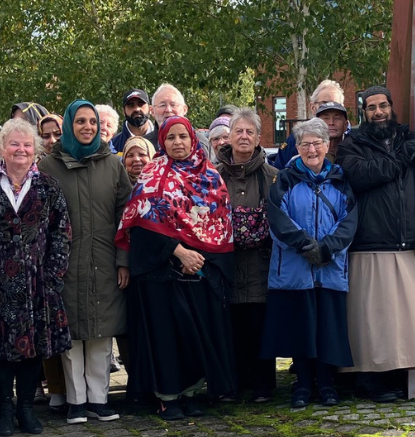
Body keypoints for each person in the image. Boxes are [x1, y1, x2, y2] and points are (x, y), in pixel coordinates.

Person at [0, 118, 73, 436]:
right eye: (14, 144)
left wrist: (53, 275)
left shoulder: (48, 186)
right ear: (1, 149)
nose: (21, 150)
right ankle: (5, 409)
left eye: (27, 144)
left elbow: (62, 232)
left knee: (32, 349)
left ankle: (26, 410)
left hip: (36, 283)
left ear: (35, 150)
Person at [117, 116, 236, 420]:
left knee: (195, 334)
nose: (178, 143)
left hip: (201, 271)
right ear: (163, 142)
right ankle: (168, 396)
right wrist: (179, 252)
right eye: (171, 138)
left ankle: (191, 392)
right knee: (166, 337)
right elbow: (141, 226)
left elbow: (220, 224)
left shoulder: (210, 176)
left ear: (193, 139)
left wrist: (198, 259)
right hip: (161, 274)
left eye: (183, 136)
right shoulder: (151, 176)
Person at [40, 101, 131, 425]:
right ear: (69, 124)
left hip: (105, 260)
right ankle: (76, 401)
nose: (87, 127)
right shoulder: (50, 166)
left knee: (100, 336)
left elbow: (125, 217)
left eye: (92, 121)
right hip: (66, 263)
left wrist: (123, 262)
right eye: (80, 121)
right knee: (72, 337)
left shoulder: (112, 165)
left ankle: (99, 400)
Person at [335, 86, 415, 403]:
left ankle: (398, 378)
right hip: (370, 241)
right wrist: (402, 157)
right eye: (371, 107)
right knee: (372, 319)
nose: (378, 112)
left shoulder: (408, 137)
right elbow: (362, 176)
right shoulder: (352, 145)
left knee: (401, 320)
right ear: (364, 113)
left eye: (383, 105)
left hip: (403, 241)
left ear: (392, 107)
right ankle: (370, 381)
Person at [263, 118, 360, 410]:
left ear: (327, 145)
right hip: (295, 269)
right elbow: (277, 217)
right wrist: (305, 245)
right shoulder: (286, 178)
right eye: (305, 144)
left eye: (317, 143)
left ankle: (327, 384)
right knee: (301, 329)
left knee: (328, 329)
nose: (311, 149)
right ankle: (303, 384)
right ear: (298, 147)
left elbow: (349, 220)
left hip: (329, 268)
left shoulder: (341, 179)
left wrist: (327, 248)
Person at [215, 108, 279, 403]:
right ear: (228, 136)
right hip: (225, 266)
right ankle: (232, 384)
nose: (243, 136)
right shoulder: (213, 177)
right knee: (230, 327)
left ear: (258, 138)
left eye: (249, 132)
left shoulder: (273, 176)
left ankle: (263, 385)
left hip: (261, 265)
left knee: (260, 324)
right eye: (238, 131)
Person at [272, 79, 347, 169]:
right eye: (324, 103)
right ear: (312, 107)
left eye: (336, 104)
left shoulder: (353, 140)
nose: (331, 122)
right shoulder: (296, 139)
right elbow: (279, 171)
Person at [111, 89, 154, 153]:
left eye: (141, 104)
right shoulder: (113, 146)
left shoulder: (164, 141)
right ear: (123, 111)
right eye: (131, 105)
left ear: (150, 109)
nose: (136, 109)